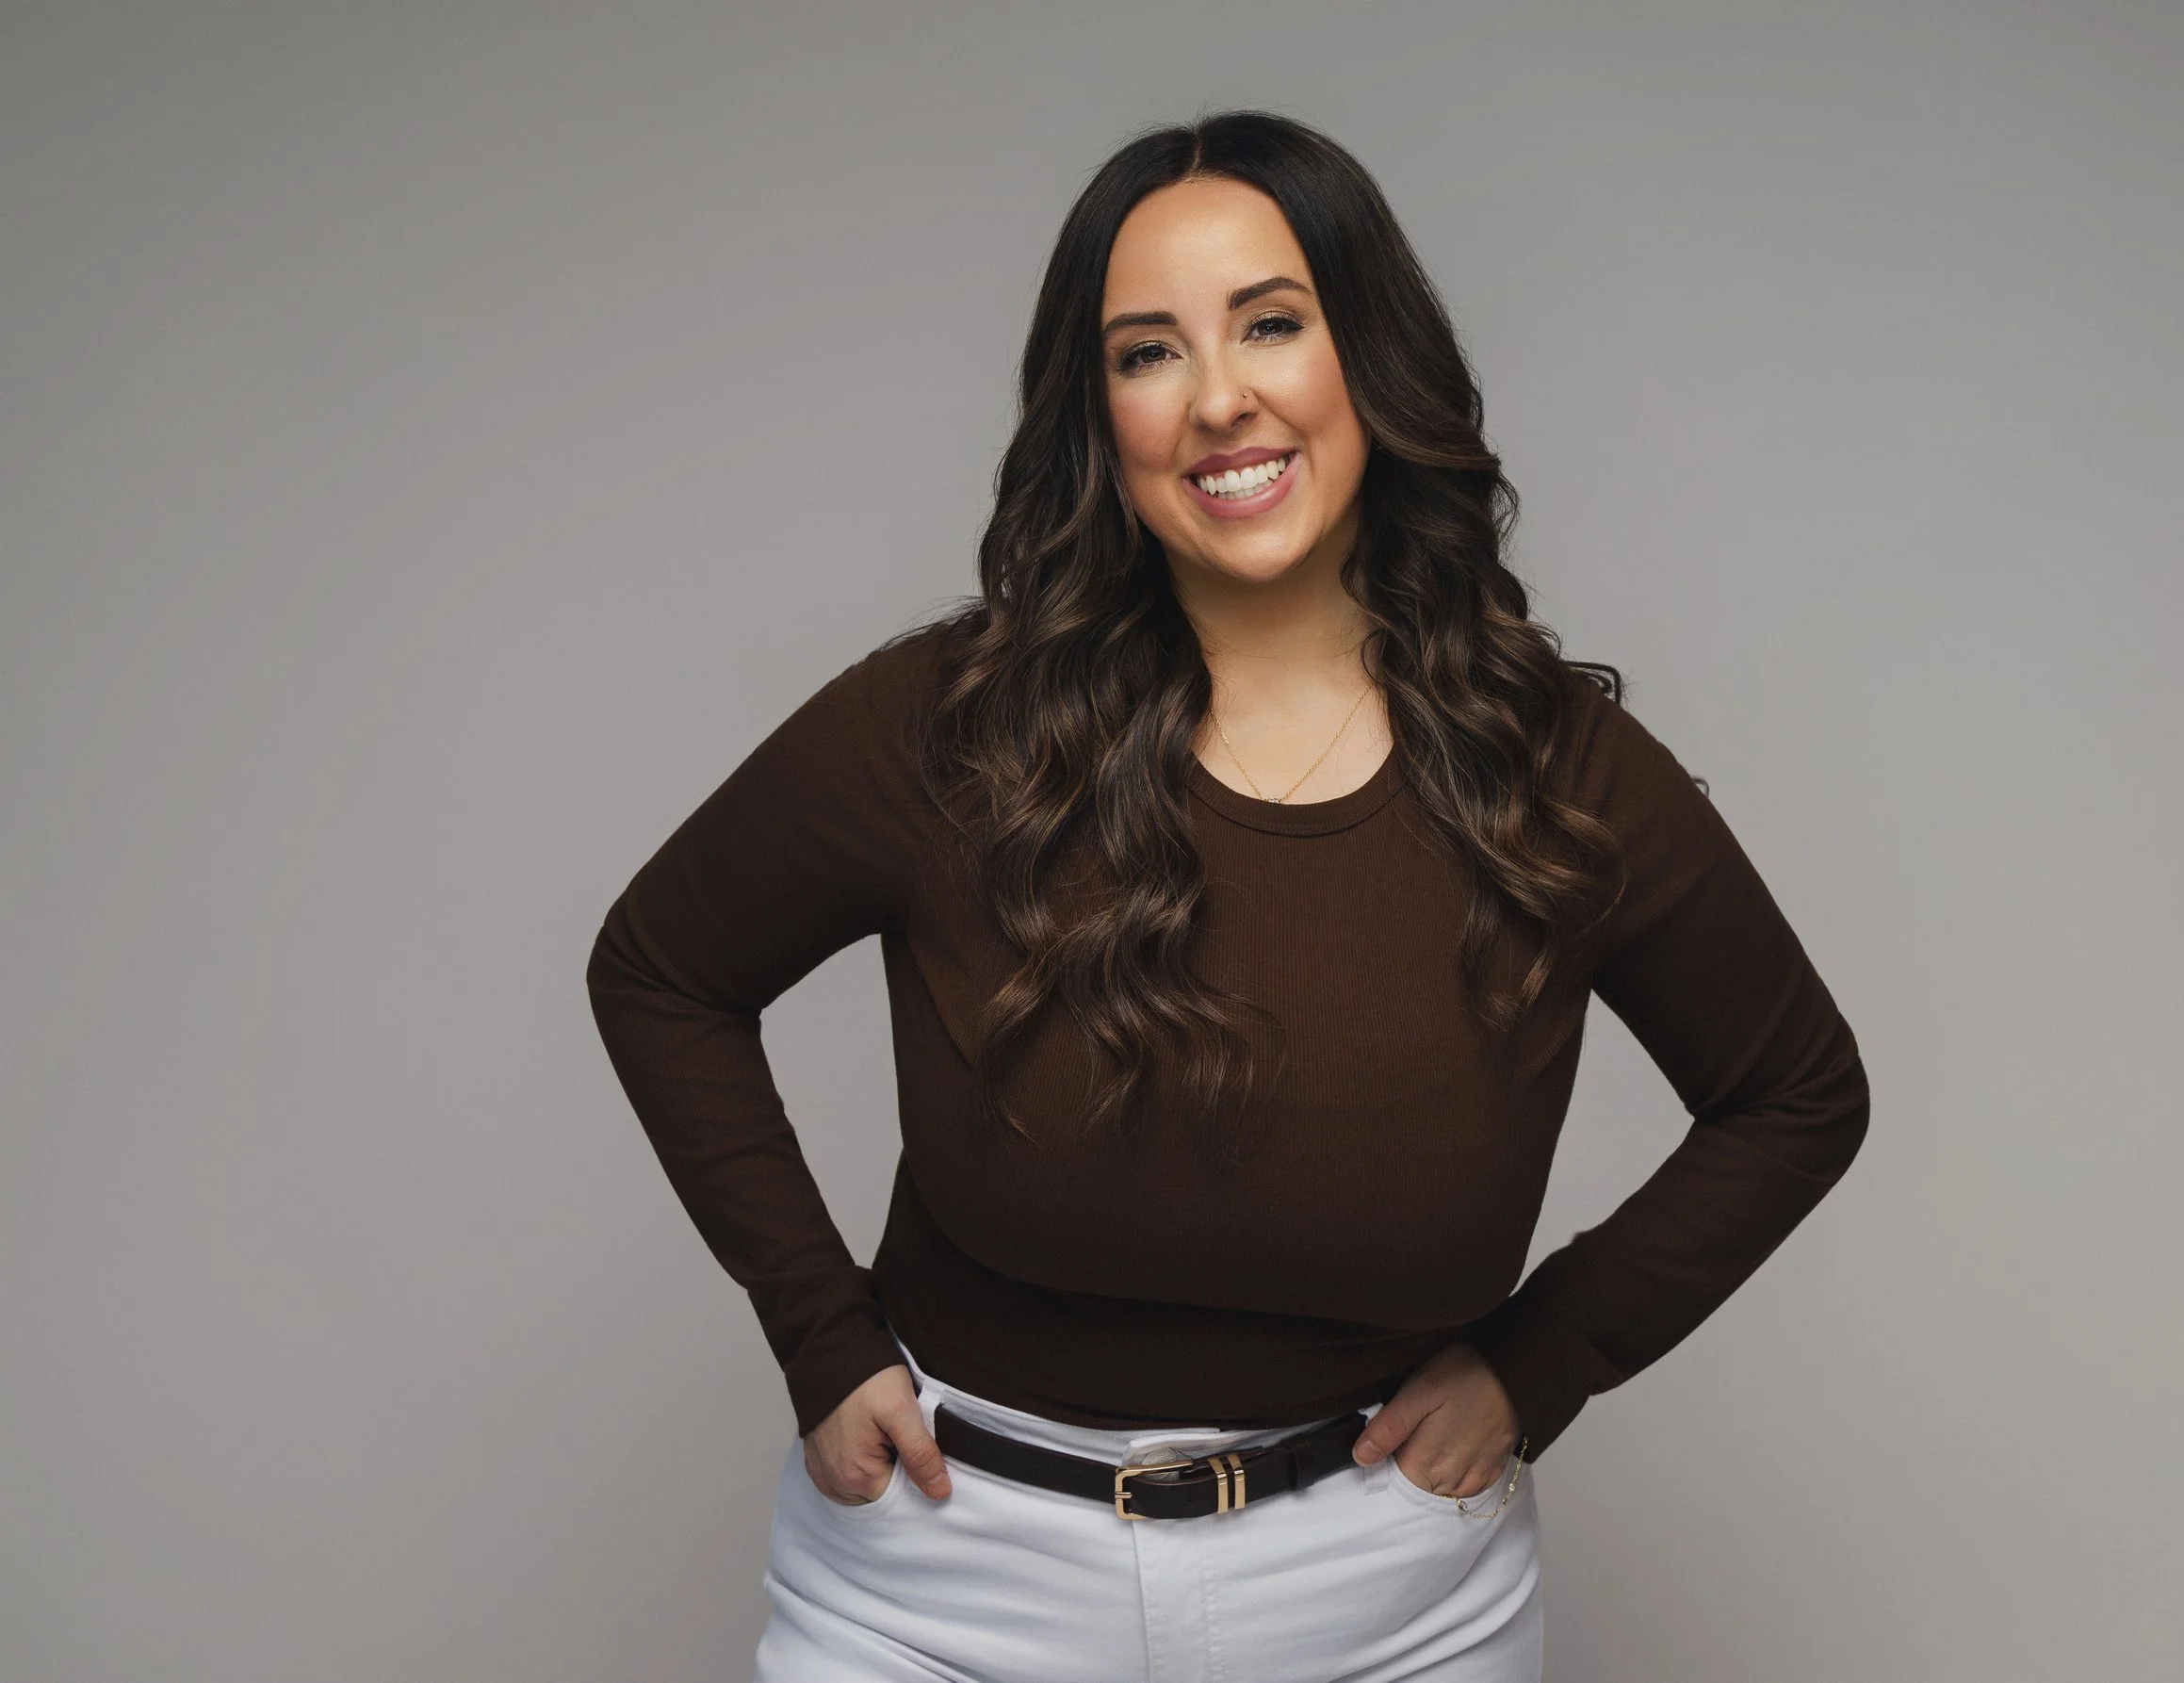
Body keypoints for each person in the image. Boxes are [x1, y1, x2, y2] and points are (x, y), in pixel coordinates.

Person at [585, 108, 1869, 1683]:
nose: (1219, 398)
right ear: (1096, 413)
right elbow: (660, 968)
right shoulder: (946, 730)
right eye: (1148, 353)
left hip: (1390, 1597)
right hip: (942, 1581)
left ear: (1370, 361)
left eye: (1273, 323)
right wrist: (816, 1326)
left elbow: (1797, 1094)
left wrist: (1550, 1359)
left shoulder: (1562, 777)